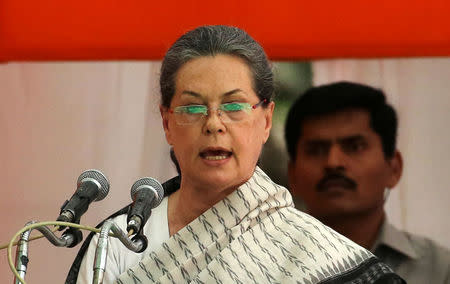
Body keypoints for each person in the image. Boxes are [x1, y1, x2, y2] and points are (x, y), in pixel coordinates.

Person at [68, 26, 405, 283]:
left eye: (233, 106)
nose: (214, 123)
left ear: (266, 120)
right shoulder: (115, 242)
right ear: (167, 122)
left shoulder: (314, 253)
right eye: (194, 107)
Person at [284, 81, 450, 284]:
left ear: (394, 168)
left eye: (355, 146)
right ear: (292, 174)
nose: (333, 162)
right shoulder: (262, 268)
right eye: (316, 150)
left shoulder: (440, 270)